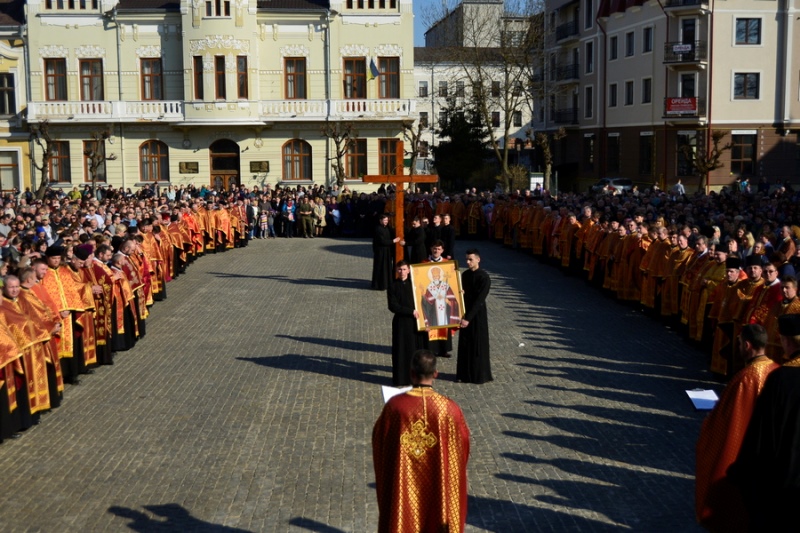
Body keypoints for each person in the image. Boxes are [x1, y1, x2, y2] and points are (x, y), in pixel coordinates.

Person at [372, 349, 470, 532]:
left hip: (404, 482)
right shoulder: (449, 409)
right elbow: (462, 444)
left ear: (411, 373)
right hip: (437, 479)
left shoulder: (395, 407)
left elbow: (380, 441)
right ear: (435, 374)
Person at [695, 324, 778, 532]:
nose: (737, 347)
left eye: (739, 343)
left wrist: (710, 420)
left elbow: (729, 418)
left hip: (745, 447)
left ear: (747, 346)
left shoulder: (746, 378)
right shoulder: (775, 370)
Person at [729, 314, 800, 531]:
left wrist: (741, 470)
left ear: (786, 341)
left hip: (784, 480)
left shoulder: (781, 380)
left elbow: (761, 433)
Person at [387, 261, 428, 386]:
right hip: (401, 322)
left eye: (404, 269)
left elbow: (424, 301)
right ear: (396, 271)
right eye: (399, 270)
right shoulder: (392, 286)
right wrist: (410, 311)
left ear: (409, 270)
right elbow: (393, 306)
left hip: (416, 322)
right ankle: (401, 378)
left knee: (415, 350)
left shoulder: (415, 284)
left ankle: (416, 378)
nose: (402, 272)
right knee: (401, 350)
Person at [457, 248, 492, 384]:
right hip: (465, 312)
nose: (468, 262)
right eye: (466, 259)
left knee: (477, 344)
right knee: (465, 344)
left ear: (478, 259)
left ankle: (479, 375)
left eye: (470, 259)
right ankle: (464, 374)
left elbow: (479, 300)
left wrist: (468, 318)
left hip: (476, 315)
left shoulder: (484, 277)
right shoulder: (465, 275)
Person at [371, 214, 399, 291]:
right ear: (380, 220)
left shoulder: (387, 228)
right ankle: (379, 284)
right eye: (384, 220)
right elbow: (381, 241)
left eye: (387, 220)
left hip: (387, 251)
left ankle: (387, 283)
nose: (386, 222)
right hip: (380, 251)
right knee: (380, 267)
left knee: (387, 267)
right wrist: (393, 241)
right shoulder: (378, 229)